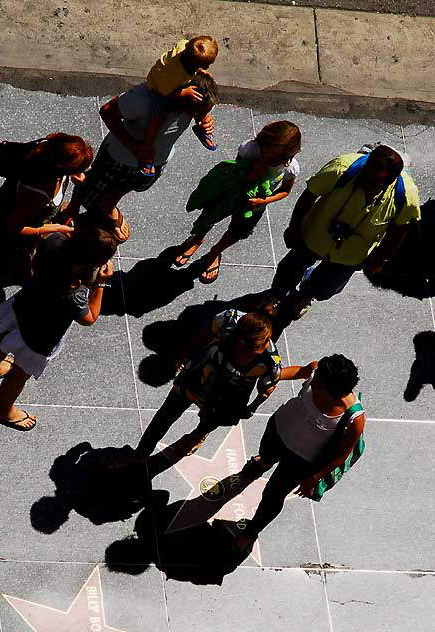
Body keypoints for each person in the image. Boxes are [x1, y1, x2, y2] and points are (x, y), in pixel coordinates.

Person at [257, 144, 420, 319]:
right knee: (290, 268)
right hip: (315, 235)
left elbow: (400, 229)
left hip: (352, 253)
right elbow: (310, 194)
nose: (366, 182)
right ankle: (275, 295)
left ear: (390, 181)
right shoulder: (341, 168)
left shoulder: (406, 195)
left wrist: (380, 259)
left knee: (327, 287)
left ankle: (305, 296)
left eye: (375, 182)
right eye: (366, 173)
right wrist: (294, 227)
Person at [0, 227, 117, 429]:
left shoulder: (55, 241)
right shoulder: (74, 291)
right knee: (20, 373)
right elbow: (89, 318)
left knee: (1, 340)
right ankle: (3, 410)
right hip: (41, 336)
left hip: (24, 307)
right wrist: (101, 284)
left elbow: (40, 241)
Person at [112, 308, 283, 467]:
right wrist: (183, 355)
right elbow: (202, 336)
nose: (239, 356)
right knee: (166, 414)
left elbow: (266, 388)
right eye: (242, 348)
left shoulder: (270, 362)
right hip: (198, 375)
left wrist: (251, 408)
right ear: (237, 339)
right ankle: (141, 453)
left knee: (210, 420)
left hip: (228, 396)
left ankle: (198, 435)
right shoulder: (228, 319)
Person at [231, 354, 365, 554]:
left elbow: (341, 456)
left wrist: (314, 478)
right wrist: (272, 377)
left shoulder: (354, 418)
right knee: (266, 453)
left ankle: (251, 532)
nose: (313, 379)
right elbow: (300, 371)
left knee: (273, 496)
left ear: (334, 391)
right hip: (278, 429)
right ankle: (264, 462)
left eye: (318, 382)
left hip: (301, 461)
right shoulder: (316, 372)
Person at [0, 133, 94, 319]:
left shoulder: (49, 147)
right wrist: (54, 228)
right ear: (60, 169)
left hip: (10, 224)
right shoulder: (37, 192)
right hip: (4, 239)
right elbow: (12, 227)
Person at [66, 74, 218, 243]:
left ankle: (108, 207)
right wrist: (134, 147)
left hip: (156, 160)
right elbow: (107, 111)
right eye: (195, 112)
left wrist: (205, 118)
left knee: (128, 185)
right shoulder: (142, 100)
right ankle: (72, 208)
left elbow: (203, 108)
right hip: (119, 157)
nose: (195, 115)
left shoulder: (194, 102)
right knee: (90, 181)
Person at [171, 121, 301, 283]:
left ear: (289, 155)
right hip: (231, 194)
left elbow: (285, 191)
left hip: (255, 205)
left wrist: (264, 200)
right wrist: (254, 171)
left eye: (276, 159)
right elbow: (234, 174)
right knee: (211, 215)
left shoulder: (290, 168)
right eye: (266, 153)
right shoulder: (250, 149)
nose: (269, 159)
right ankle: (198, 238)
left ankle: (215, 252)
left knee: (238, 231)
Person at [141, 35, 219, 175]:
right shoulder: (168, 70)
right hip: (158, 91)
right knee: (157, 119)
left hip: (179, 81)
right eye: (200, 65)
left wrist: (200, 71)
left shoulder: (186, 48)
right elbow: (164, 92)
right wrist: (183, 92)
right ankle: (147, 151)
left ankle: (202, 123)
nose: (206, 68)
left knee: (203, 96)